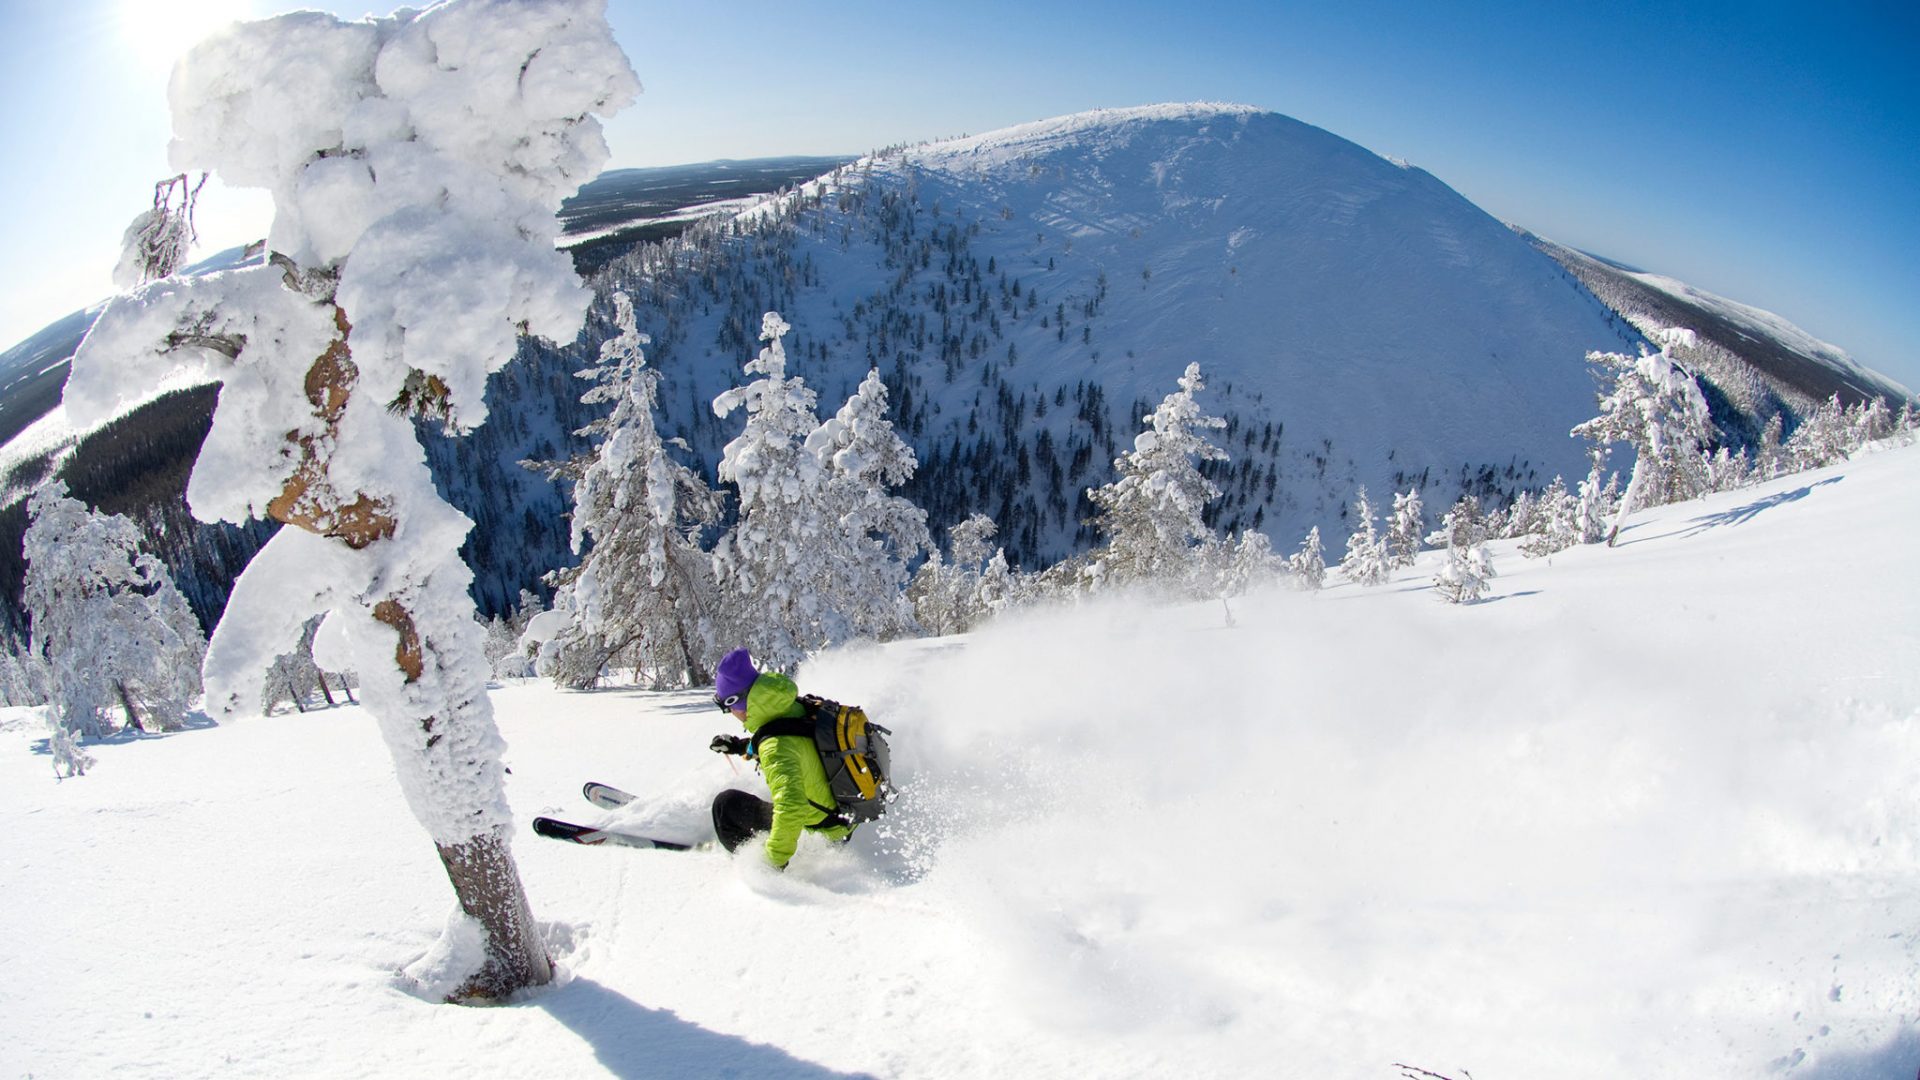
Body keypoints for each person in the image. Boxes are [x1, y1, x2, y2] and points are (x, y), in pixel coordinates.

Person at [707, 648, 852, 868]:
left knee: (725, 805)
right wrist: (738, 746)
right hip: (844, 815)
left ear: (737, 702)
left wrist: (771, 863)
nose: (731, 714)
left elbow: (791, 806)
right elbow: (792, 735)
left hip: (821, 833)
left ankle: (756, 857)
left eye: (727, 708)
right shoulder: (793, 705)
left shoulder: (774, 746)